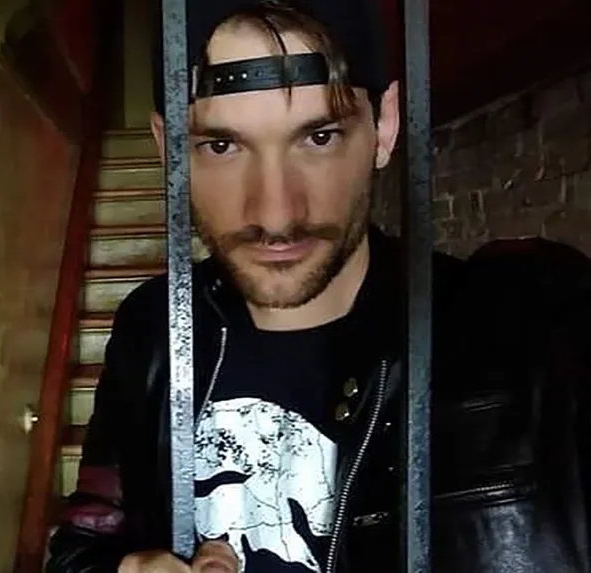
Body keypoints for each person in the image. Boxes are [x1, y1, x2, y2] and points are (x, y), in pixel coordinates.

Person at [44, 0, 591, 571]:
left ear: (385, 125)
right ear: (169, 151)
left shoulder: (535, 331)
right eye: (222, 145)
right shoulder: (153, 327)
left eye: (320, 136)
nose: (276, 214)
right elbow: (81, 545)